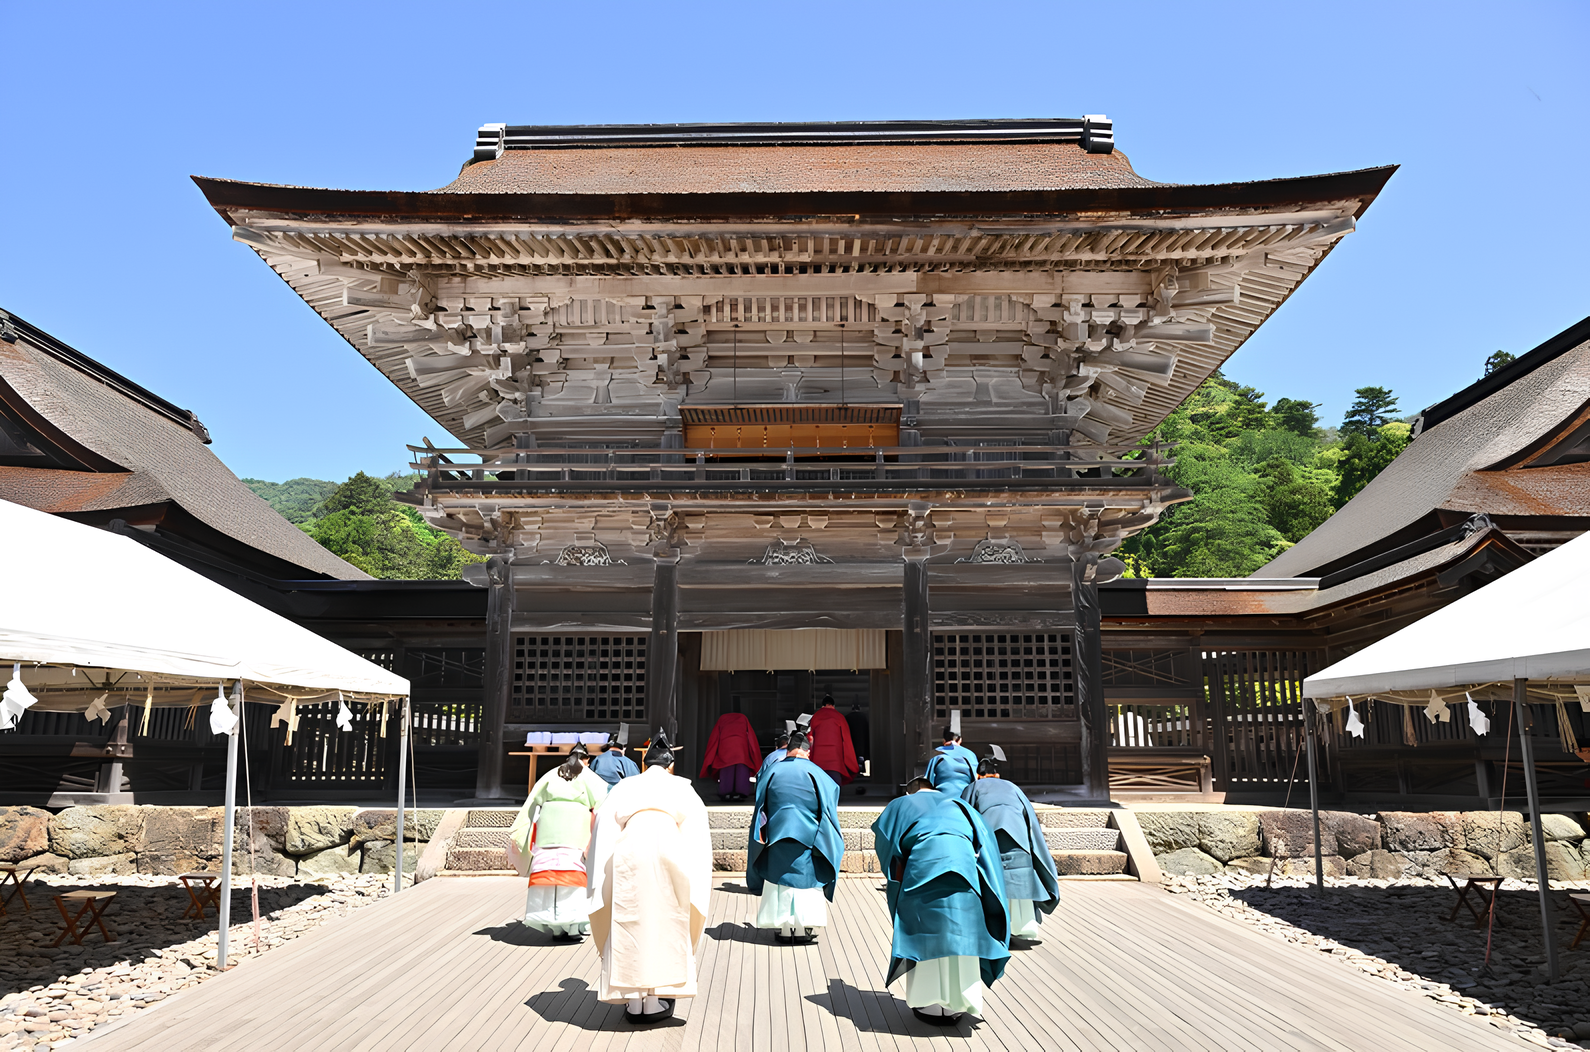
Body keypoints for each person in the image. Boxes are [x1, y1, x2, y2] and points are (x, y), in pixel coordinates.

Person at [587, 731, 712, 1025]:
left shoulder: (626, 786)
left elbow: (604, 822)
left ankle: (632, 1001)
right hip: (670, 850)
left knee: (629, 920)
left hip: (628, 851)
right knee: (665, 921)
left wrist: (600, 868)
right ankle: (656, 998)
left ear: (644, 764)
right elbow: (697, 831)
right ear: (670, 764)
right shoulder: (683, 787)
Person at [872, 777, 1010, 1026]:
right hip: (965, 870)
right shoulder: (960, 805)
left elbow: (885, 843)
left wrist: (896, 877)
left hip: (923, 869)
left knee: (926, 936)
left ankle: (929, 1004)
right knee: (962, 937)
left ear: (909, 791)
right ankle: (960, 1003)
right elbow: (985, 842)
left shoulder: (902, 804)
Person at [745, 728, 843, 943]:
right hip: (808, 835)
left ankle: (782, 928)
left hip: (776, 834)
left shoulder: (772, 770)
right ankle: (803, 927)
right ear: (807, 752)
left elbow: (760, 804)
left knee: (779, 881)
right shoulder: (815, 771)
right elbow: (830, 799)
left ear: (787, 751)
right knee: (806, 881)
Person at [508, 743, 606, 941]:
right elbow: (602, 801)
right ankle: (572, 927)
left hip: (548, 832)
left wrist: (520, 834)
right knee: (572, 877)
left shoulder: (551, 774)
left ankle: (553, 927)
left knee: (547, 874)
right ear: (586, 759)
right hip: (575, 832)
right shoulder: (589, 776)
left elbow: (532, 801)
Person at [961, 747, 1059, 944]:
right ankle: (1022, 927)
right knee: (1019, 878)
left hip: (990, 841)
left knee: (993, 882)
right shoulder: (1013, 787)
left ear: (978, 775)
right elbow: (1030, 820)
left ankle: (996, 930)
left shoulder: (973, 788)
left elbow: (965, 818)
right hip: (1019, 841)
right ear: (997, 774)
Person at [699, 711, 762, 801]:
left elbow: (714, 737)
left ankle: (726, 792)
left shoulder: (722, 719)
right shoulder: (743, 718)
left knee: (727, 769)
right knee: (741, 769)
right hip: (741, 747)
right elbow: (751, 738)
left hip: (725, 746)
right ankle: (741, 792)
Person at [807, 695, 859, 787]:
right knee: (835, 780)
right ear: (833, 705)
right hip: (835, 755)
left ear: (822, 705)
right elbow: (846, 739)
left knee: (819, 781)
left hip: (818, 754)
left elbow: (810, 736)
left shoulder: (816, 716)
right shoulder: (840, 717)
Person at [925, 725, 979, 798]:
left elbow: (927, 783)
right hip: (965, 800)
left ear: (944, 741)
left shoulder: (936, 754)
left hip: (941, 800)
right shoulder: (970, 755)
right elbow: (976, 781)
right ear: (960, 740)